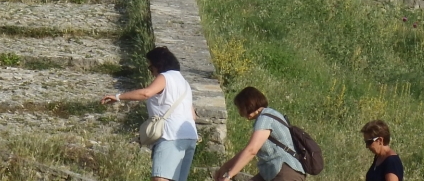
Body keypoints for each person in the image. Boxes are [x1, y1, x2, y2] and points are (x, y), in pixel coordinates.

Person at [101, 46, 198, 181]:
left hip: (170, 135)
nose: (151, 71)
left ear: (159, 64)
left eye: (151, 67)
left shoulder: (165, 77)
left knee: (160, 178)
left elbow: (146, 93)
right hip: (190, 137)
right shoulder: (184, 83)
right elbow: (192, 115)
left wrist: (118, 96)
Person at [213, 87, 305, 181]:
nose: (240, 113)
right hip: (273, 172)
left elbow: (252, 150)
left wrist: (229, 175)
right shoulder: (271, 114)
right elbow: (247, 150)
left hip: (284, 173)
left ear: (247, 105)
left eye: (240, 108)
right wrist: (226, 167)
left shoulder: (264, 119)